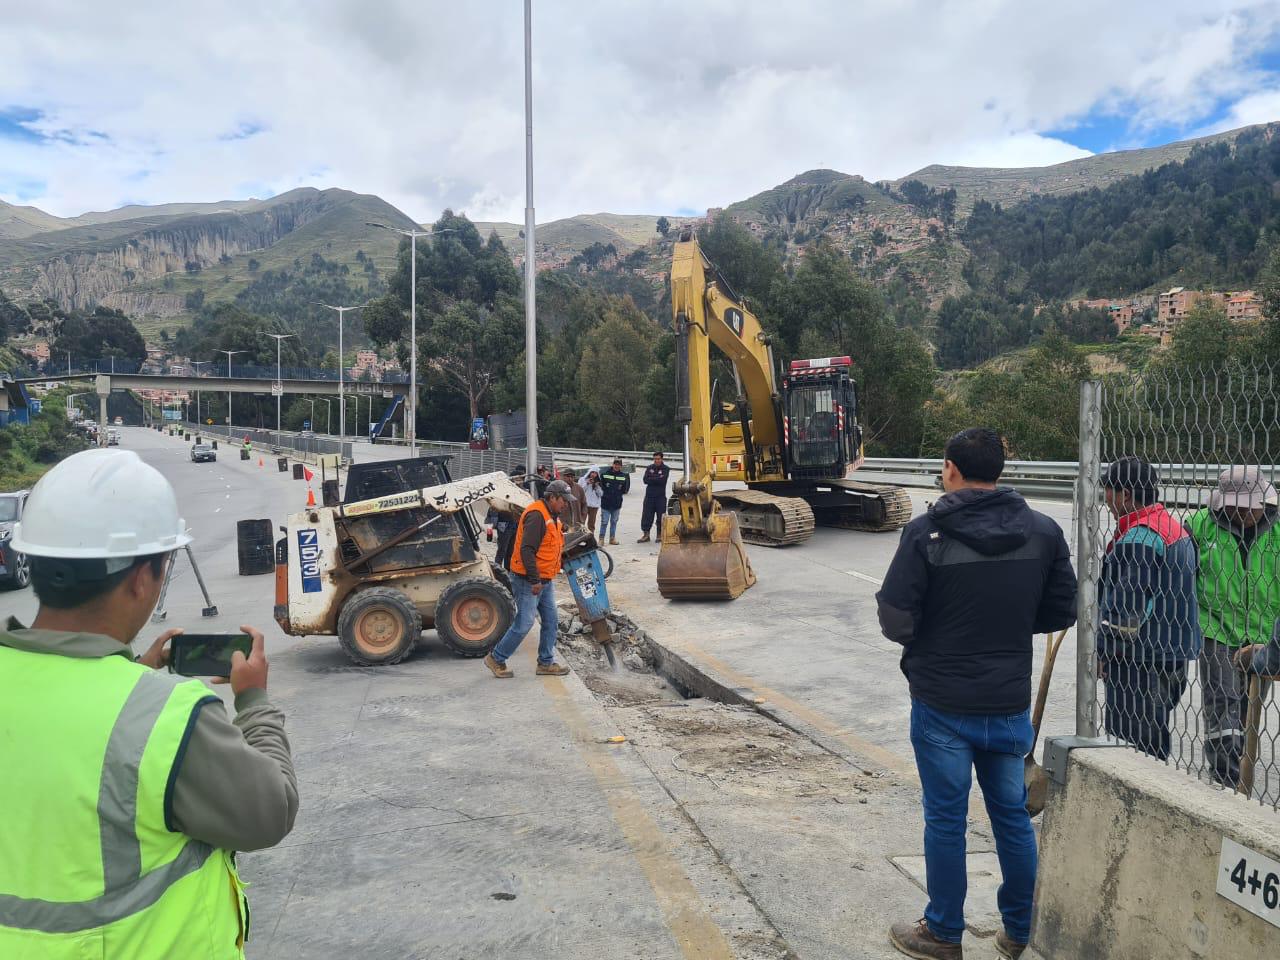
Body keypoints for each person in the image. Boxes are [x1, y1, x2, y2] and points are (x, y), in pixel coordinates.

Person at [0, 448, 298, 959]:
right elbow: (269, 812)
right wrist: (253, 702)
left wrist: (130, 677)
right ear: (143, 578)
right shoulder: (169, 716)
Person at [876, 428, 1076, 960]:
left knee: (945, 818)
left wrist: (936, 641)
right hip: (1008, 703)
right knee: (1011, 814)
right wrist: (1006, 629)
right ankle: (1020, 930)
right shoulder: (1045, 533)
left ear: (950, 470)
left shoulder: (925, 535)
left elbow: (895, 618)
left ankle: (943, 932)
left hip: (941, 703)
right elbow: (1060, 611)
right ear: (1001, 471)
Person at [1097, 457, 1201, 761]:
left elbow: (1126, 610)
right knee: (1152, 738)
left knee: (1133, 751)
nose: (1106, 499)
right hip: (1173, 652)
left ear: (1125, 494)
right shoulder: (1172, 528)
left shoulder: (1139, 539)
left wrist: (1106, 653)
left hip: (1139, 661)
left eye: (1108, 490)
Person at [1186, 465, 1280, 787]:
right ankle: (1225, 777)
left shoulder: (1278, 532)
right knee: (1222, 704)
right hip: (1216, 629)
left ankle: (1243, 773)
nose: (1241, 513)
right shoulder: (1200, 526)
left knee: (1247, 708)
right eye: (1234, 507)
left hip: (1263, 634)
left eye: (1247, 508)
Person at [484, 479, 573, 678]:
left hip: (545, 579)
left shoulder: (552, 515)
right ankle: (496, 658)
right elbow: (527, 549)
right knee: (524, 623)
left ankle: (545, 662)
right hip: (529, 580)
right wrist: (534, 581)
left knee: (551, 620)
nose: (565, 504)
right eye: (563, 500)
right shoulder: (537, 515)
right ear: (552, 497)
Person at [637, 451, 671, 543]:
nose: (656, 461)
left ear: (662, 459)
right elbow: (645, 480)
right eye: (655, 459)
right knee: (646, 516)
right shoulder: (649, 468)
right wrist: (657, 478)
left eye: (658, 459)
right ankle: (646, 535)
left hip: (660, 497)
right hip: (649, 496)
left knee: (661, 517)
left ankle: (659, 535)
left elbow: (662, 481)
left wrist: (651, 478)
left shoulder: (666, 469)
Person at [598, 458, 630, 545]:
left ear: (621, 466)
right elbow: (601, 487)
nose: (617, 466)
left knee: (614, 522)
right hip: (606, 503)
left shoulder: (623, 476)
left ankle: (612, 539)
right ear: (613, 465)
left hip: (617, 504)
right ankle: (601, 539)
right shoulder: (604, 475)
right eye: (615, 464)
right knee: (604, 522)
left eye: (618, 465)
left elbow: (624, 490)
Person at [580, 469, 603, 533]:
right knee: (581, 523)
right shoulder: (582, 479)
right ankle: (580, 537)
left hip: (594, 506)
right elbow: (580, 491)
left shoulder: (598, 482)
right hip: (584, 504)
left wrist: (596, 487)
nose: (593, 474)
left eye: (595, 473)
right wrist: (587, 483)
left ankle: (590, 538)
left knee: (591, 524)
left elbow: (601, 494)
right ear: (589, 472)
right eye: (592, 472)